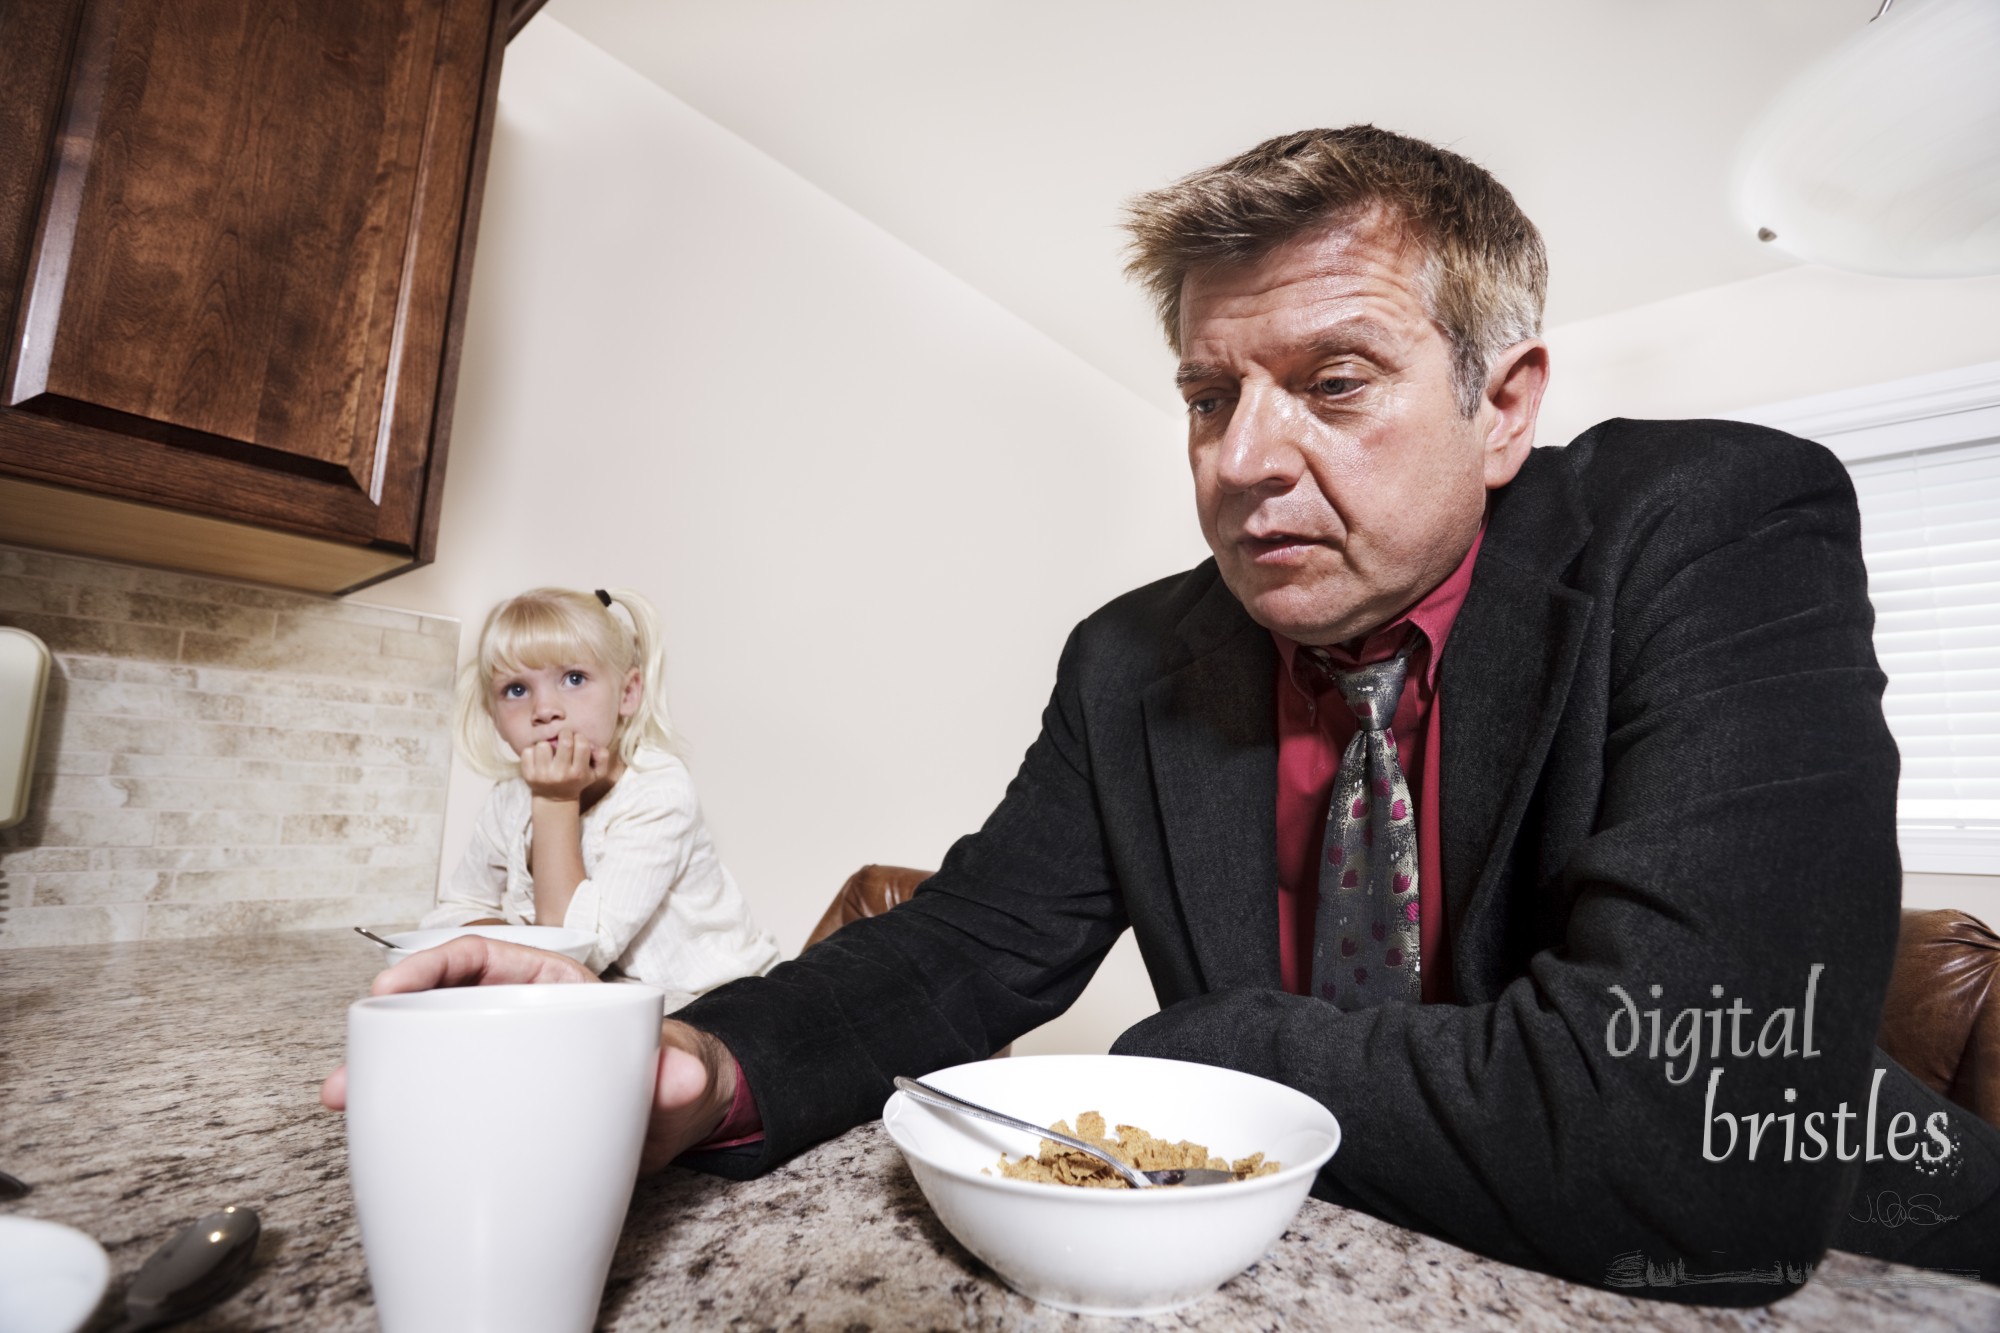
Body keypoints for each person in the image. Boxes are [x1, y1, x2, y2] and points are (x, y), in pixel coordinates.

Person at [326, 129, 1998, 1298]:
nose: (1241, 457)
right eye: (1210, 392)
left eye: (1335, 380)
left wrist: (1204, 1042)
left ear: (1506, 406)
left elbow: (1685, 1136)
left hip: (1855, 1254)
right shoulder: (1133, 657)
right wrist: (699, 1061)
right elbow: (968, 944)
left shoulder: (1712, 522)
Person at [423, 586, 780, 1008]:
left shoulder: (658, 789)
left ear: (627, 693)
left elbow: (572, 953)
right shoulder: (509, 799)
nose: (544, 709)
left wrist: (556, 802)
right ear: (493, 716)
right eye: (516, 690)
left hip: (721, 1002)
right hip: (606, 1002)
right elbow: (452, 911)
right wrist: (509, 942)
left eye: (574, 679)